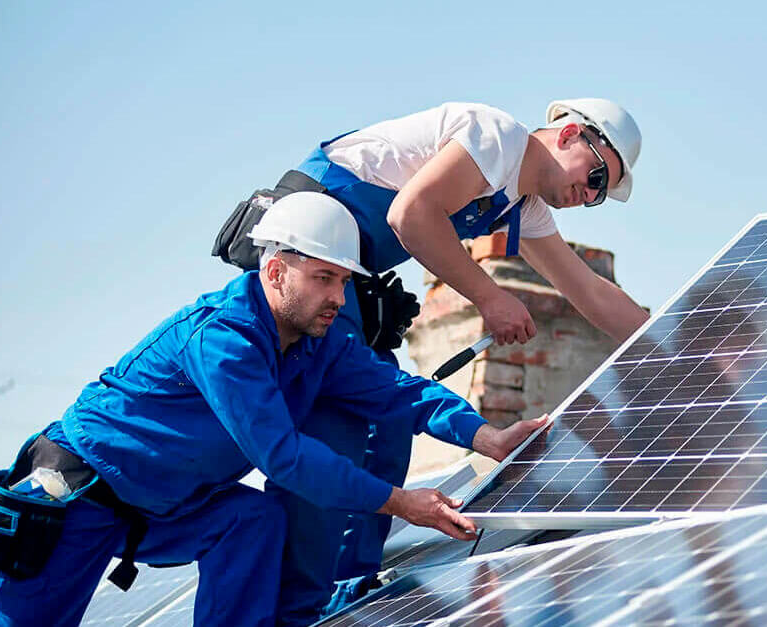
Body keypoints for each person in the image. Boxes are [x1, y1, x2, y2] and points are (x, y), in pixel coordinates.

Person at [0, 193, 545, 626]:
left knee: (252, 520)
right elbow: (284, 457)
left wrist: (483, 437)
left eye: (343, 281)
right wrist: (401, 503)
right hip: (78, 500)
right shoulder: (222, 341)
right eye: (323, 278)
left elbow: (399, 391)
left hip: (166, 508)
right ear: (274, 271)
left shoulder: (318, 343)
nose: (337, 299)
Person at [211, 99, 651, 623]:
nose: (591, 194)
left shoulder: (522, 205)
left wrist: (672, 347)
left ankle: (349, 586)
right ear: (570, 133)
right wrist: (490, 297)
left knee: (390, 426)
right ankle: (298, 606)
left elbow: (589, 292)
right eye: (598, 175)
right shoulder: (498, 137)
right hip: (312, 259)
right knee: (340, 429)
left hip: (352, 275)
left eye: (601, 195)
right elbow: (410, 215)